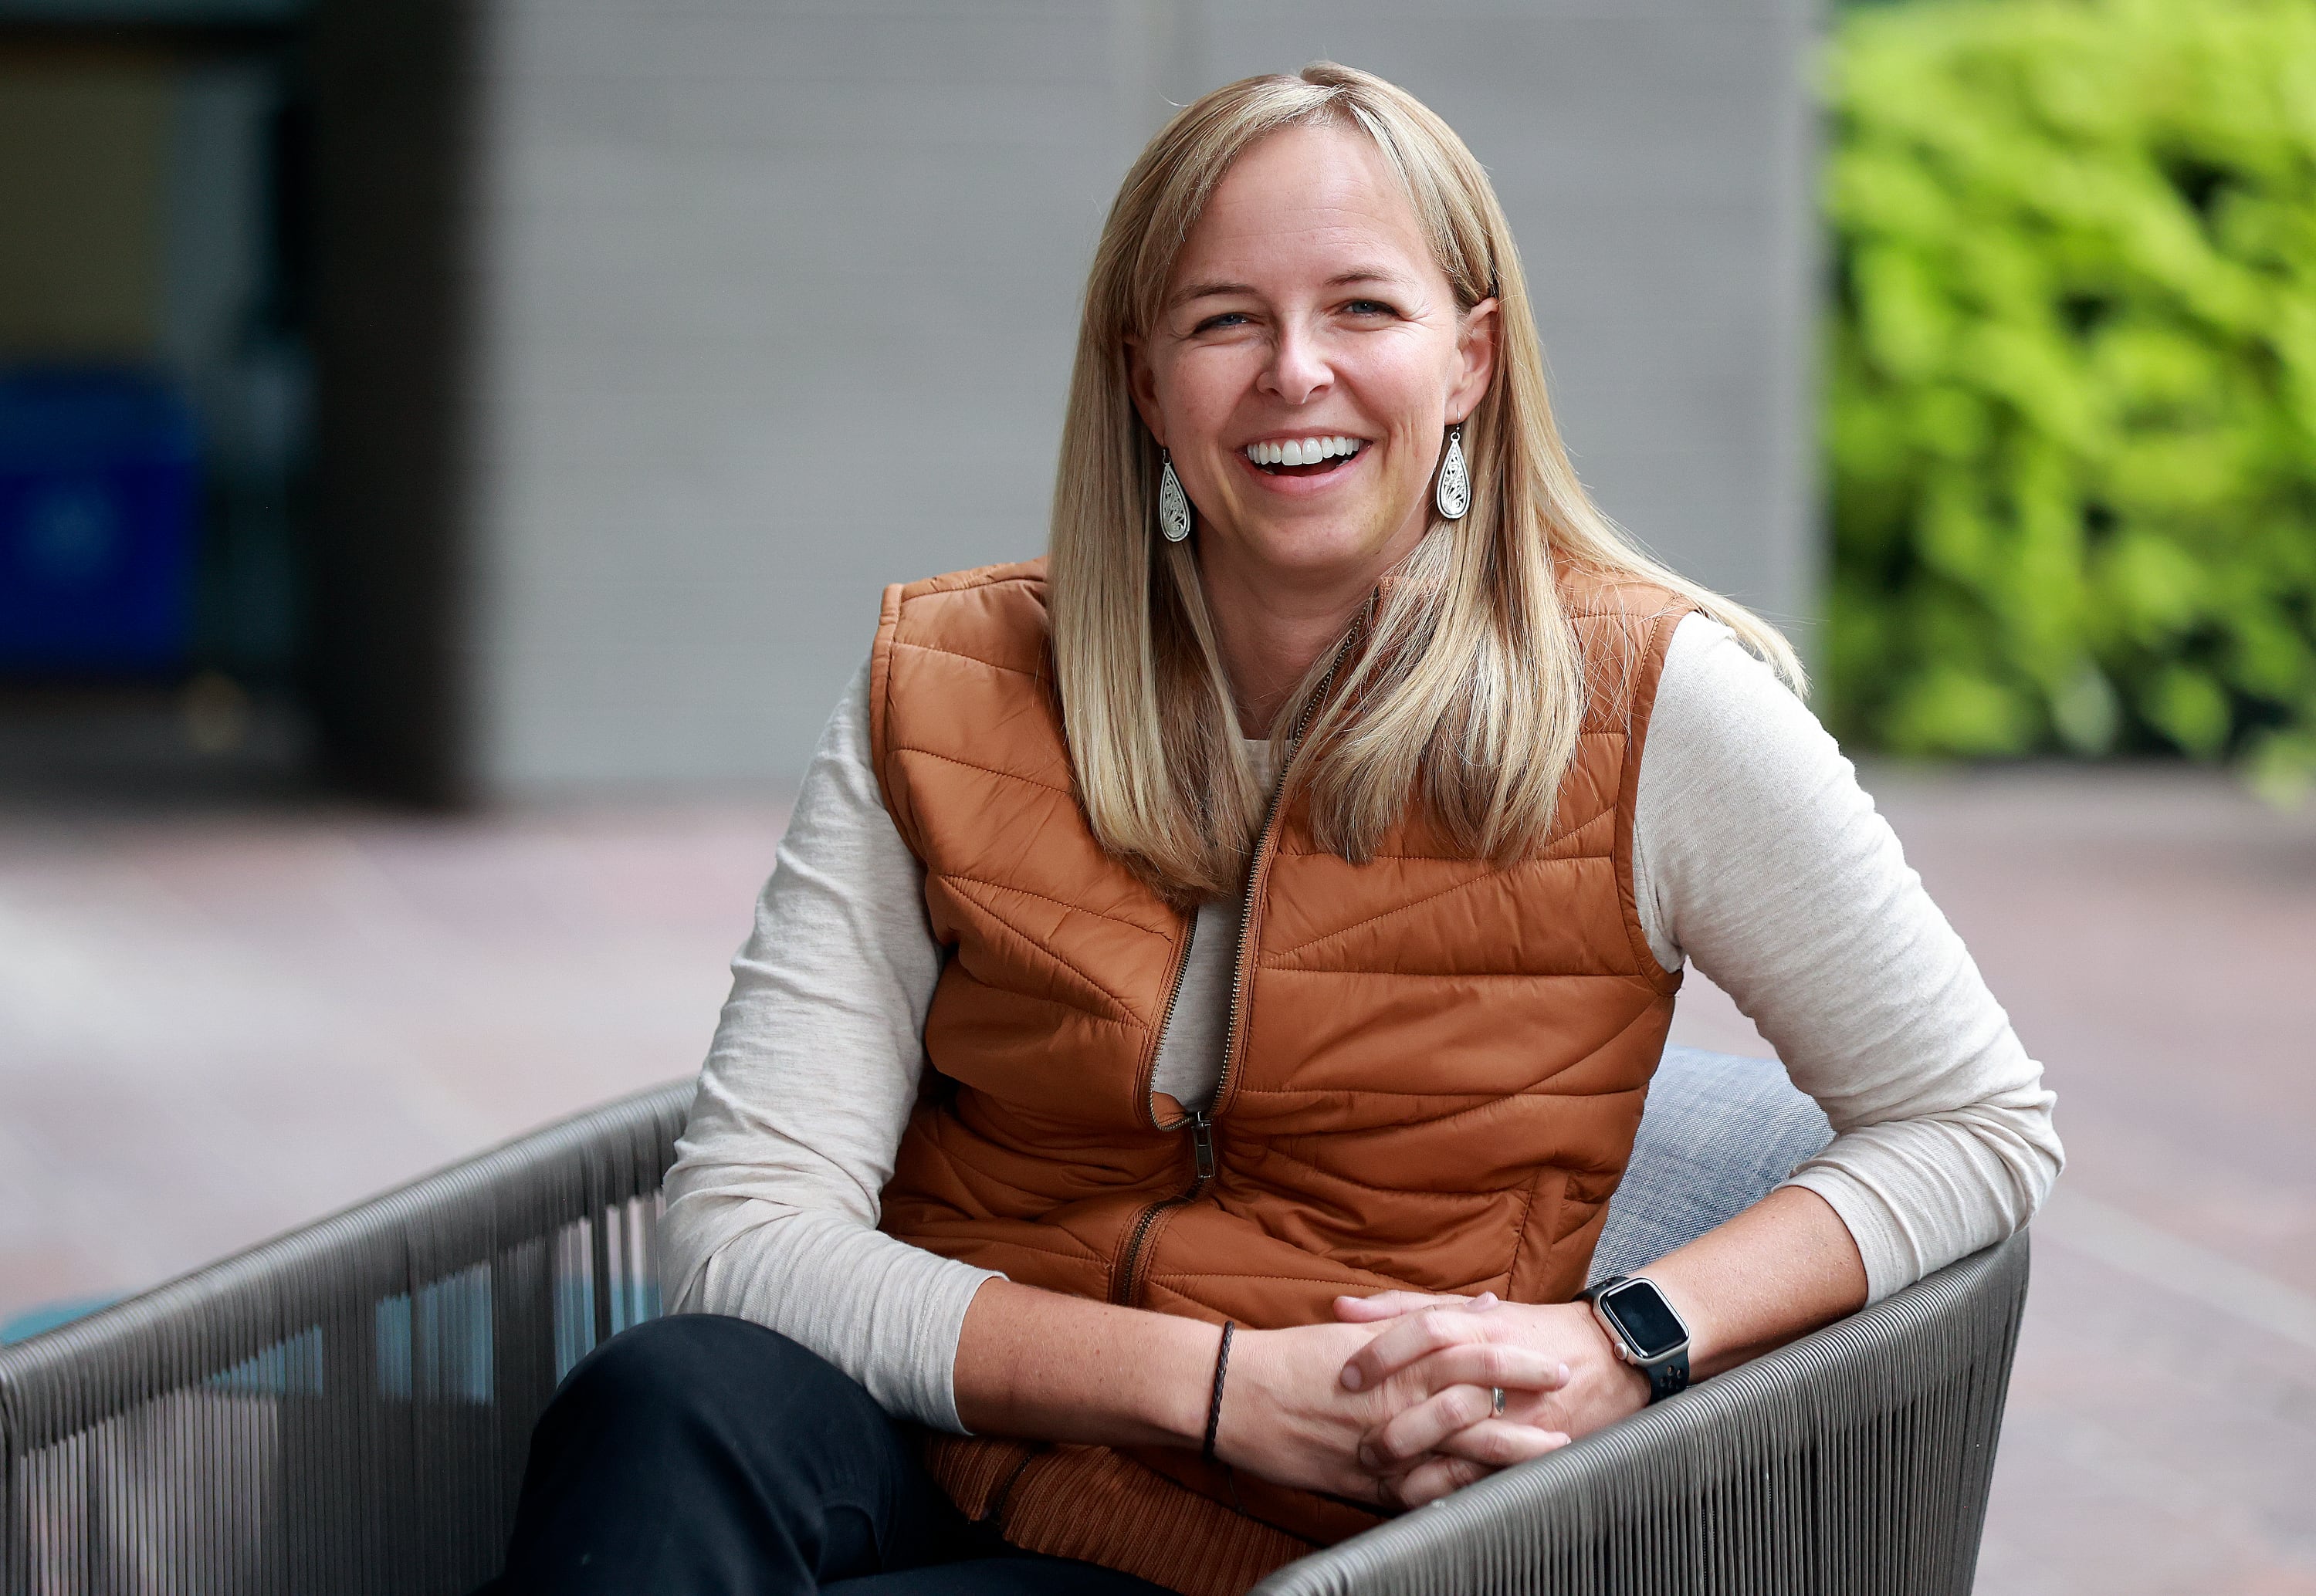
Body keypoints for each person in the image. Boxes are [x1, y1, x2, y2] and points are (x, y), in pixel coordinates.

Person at [487, 63, 2061, 1596]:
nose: (1294, 372)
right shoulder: (952, 682)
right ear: (1144, 379)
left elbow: (1977, 1121)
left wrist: (1624, 1341)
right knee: (664, 1400)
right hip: (920, 1441)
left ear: (1471, 359)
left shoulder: (1656, 706)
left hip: (1291, 1540)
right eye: (1224, 319)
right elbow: (743, 1234)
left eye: (1362, 308)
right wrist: (1217, 1382)